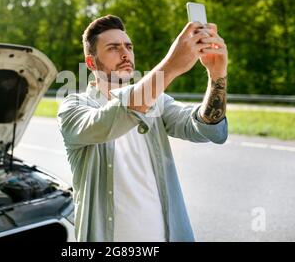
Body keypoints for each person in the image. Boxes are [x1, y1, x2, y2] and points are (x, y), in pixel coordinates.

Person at [57, 15, 228, 242]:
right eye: (113, 48)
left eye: (128, 46)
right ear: (91, 63)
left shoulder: (157, 101)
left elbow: (208, 129)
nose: (125, 53)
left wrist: (217, 75)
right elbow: (108, 120)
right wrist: (171, 65)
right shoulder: (74, 107)